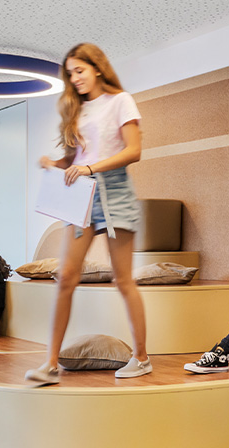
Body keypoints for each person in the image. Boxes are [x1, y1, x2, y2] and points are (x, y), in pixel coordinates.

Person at [25, 42, 150, 385]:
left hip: (115, 193)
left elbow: (134, 151)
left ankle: (141, 357)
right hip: (80, 198)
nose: (75, 78)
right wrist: (56, 163)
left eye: (79, 70)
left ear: (97, 67)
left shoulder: (120, 101)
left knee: (123, 280)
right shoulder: (75, 110)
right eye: (70, 74)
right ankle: (50, 363)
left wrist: (90, 166)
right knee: (66, 277)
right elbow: (73, 160)